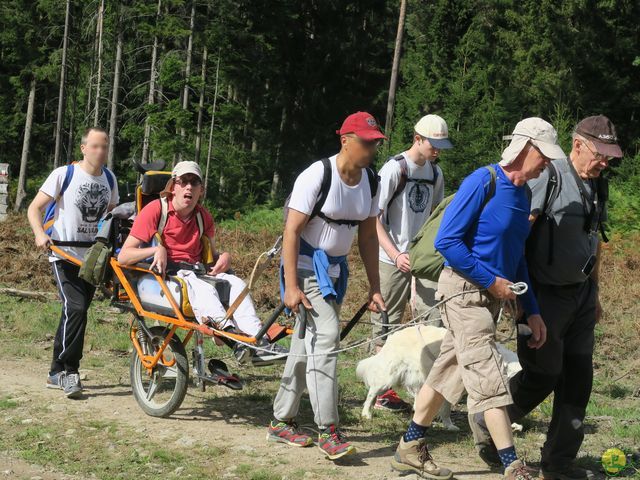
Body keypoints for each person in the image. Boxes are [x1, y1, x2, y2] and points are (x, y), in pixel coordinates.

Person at [390, 117, 566, 480]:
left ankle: (409, 446)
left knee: (449, 371)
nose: (546, 163)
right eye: (543, 156)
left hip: (493, 297)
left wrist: (531, 310)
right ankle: (511, 465)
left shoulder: (523, 194)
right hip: (463, 291)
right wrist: (491, 282)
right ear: (524, 148)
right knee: (488, 374)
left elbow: (516, 259)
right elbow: (447, 242)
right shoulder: (481, 181)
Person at [470, 115, 622, 480]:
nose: (604, 162)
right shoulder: (549, 178)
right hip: (543, 295)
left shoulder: (597, 186)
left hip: (581, 296)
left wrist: (595, 292)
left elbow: (594, 241)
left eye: (609, 156)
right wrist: (514, 294)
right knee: (543, 374)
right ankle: (489, 424)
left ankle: (559, 464)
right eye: (600, 154)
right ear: (579, 145)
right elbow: (517, 238)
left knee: (578, 379)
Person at [268, 112, 386, 460]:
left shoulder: (371, 183)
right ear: (345, 139)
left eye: (375, 142)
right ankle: (328, 430)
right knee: (328, 338)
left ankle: (281, 420)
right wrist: (291, 286)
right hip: (304, 268)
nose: (371, 148)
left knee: (308, 344)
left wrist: (374, 287)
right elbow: (291, 231)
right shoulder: (317, 175)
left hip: (335, 273)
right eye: (366, 141)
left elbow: (367, 237)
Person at [117, 161, 287, 365]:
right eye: (183, 181)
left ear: (201, 190)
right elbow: (124, 256)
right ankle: (235, 341)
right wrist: (156, 249)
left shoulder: (203, 217)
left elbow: (212, 257)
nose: (189, 186)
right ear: (173, 187)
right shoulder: (155, 210)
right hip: (166, 276)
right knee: (202, 289)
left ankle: (260, 341)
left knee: (237, 284)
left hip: (196, 272)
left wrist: (224, 257)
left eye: (194, 182)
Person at [27, 127, 119, 399]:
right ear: (83, 148)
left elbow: (112, 215)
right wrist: (39, 234)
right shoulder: (64, 174)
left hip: (92, 259)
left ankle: (55, 371)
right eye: (95, 146)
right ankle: (70, 371)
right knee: (76, 308)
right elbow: (34, 208)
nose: (100, 151)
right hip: (63, 254)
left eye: (104, 146)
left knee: (73, 313)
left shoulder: (110, 178)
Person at [371, 114, 450, 413]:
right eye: (434, 144)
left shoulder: (436, 173)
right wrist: (395, 254)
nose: (438, 150)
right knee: (384, 320)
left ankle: (427, 390)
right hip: (390, 258)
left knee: (434, 321)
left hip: (424, 260)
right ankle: (382, 390)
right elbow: (373, 219)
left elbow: (436, 218)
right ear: (418, 139)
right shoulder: (394, 169)